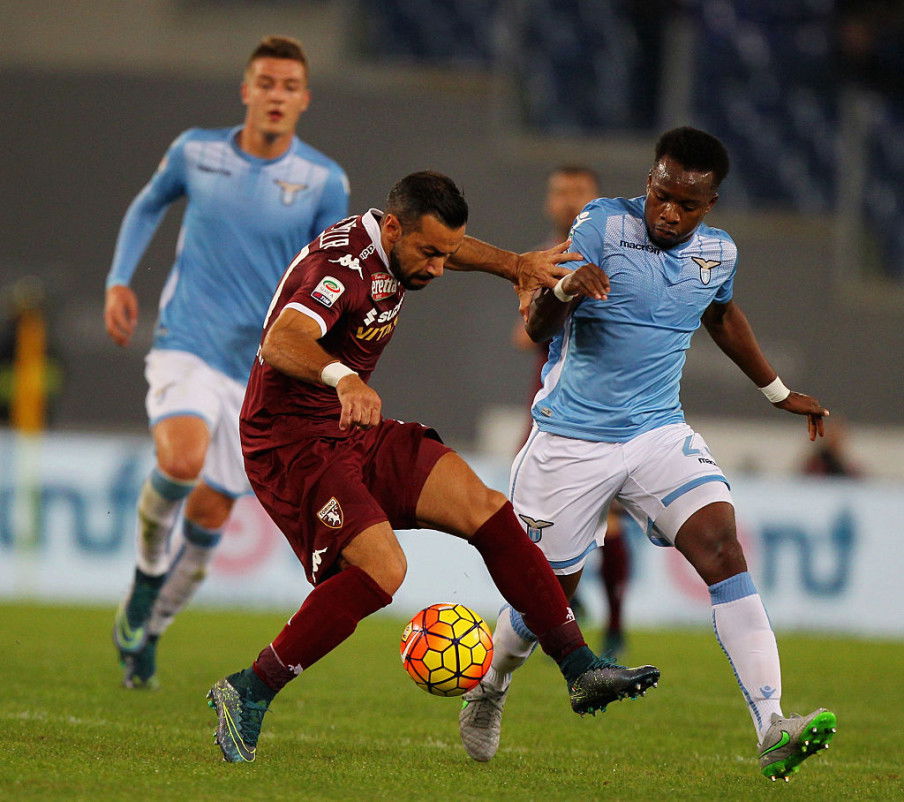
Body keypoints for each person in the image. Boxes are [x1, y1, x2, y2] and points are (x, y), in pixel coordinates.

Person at [205, 171, 661, 763]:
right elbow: (280, 342)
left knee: (487, 508)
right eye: (428, 253)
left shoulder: (404, 240)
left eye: (445, 253)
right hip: (291, 441)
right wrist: (343, 376)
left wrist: (514, 265)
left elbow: (448, 243)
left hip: (349, 428)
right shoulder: (340, 267)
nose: (438, 268)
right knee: (383, 570)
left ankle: (579, 667)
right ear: (392, 228)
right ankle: (249, 690)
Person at [458, 128, 838, 782]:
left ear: (709, 204)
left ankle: (773, 726)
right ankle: (490, 685)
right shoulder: (602, 225)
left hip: (657, 432)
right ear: (651, 180)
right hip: (570, 439)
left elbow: (721, 315)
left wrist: (776, 392)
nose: (667, 211)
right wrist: (568, 291)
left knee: (723, 548)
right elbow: (539, 325)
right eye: (660, 194)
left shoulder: (719, 253)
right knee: (550, 594)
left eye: (685, 205)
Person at [104, 35, 350, 690]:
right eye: (265, 83)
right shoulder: (197, 150)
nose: (275, 95)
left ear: (304, 99)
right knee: (179, 461)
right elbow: (148, 202)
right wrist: (120, 280)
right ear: (246, 90)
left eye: (288, 86)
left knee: (211, 516)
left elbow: (331, 274)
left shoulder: (324, 181)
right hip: (187, 342)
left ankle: (149, 632)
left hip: (259, 374)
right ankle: (145, 577)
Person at [512, 165, 631, 657]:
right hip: (550, 402)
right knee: (533, 524)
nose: (566, 200)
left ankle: (615, 624)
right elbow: (523, 336)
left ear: (597, 199)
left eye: (577, 191)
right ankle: (565, 605)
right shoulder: (545, 257)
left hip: (607, 404)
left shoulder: (615, 252)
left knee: (613, 517)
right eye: (559, 190)